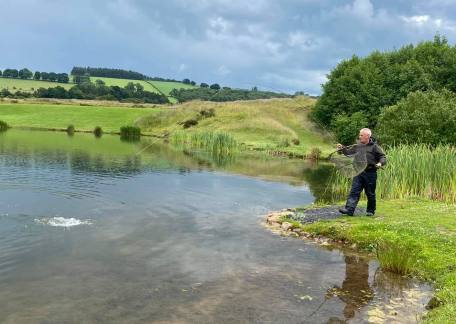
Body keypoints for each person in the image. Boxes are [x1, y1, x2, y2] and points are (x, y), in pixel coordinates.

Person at [337, 128, 386, 216]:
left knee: (370, 193)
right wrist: (342, 148)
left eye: (361, 135)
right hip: (358, 172)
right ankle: (349, 210)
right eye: (359, 135)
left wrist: (380, 163)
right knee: (354, 191)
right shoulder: (357, 146)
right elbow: (348, 153)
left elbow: (383, 157)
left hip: (370, 173)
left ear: (367, 136)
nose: (359, 137)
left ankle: (370, 211)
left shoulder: (375, 147)